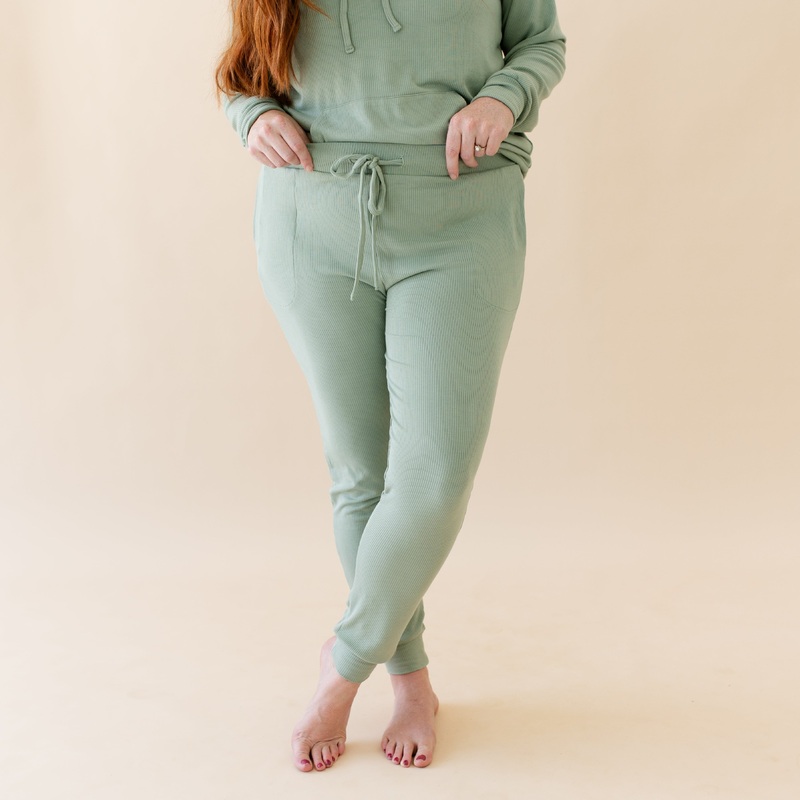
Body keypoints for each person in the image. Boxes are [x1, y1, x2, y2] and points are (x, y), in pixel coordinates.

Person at [215, 0, 565, 773]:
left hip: (462, 214)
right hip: (312, 213)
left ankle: (342, 667)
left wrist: (503, 97)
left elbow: (540, 43)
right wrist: (250, 116)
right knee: (359, 476)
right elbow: (242, 73)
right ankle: (410, 682)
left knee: (433, 477)